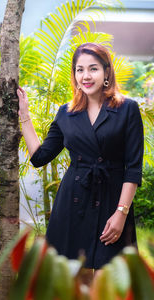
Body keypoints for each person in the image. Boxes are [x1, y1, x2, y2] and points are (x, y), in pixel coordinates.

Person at [17, 43, 144, 272]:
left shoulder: (127, 109)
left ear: (106, 71)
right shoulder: (66, 112)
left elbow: (133, 168)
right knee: (75, 281)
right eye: (79, 69)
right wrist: (24, 116)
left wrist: (121, 212)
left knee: (109, 282)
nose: (86, 76)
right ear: (74, 75)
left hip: (112, 202)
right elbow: (39, 157)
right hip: (72, 203)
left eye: (93, 69)